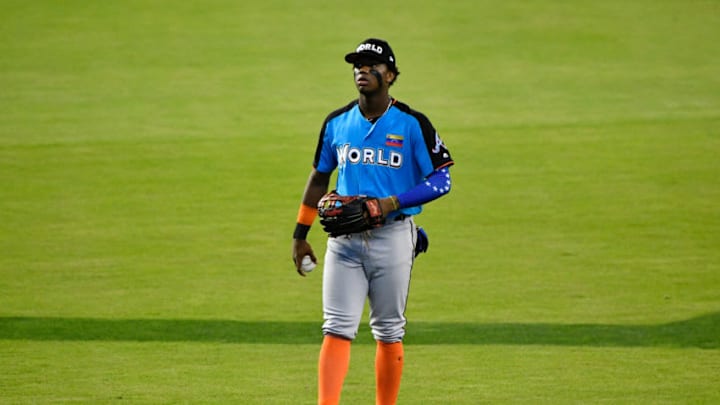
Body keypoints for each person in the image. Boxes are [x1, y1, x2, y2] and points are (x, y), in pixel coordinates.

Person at [291, 38, 454, 405]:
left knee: (389, 332)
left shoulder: (413, 124)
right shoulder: (337, 123)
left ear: (391, 75)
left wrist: (390, 203)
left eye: (372, 65)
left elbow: (442, 179)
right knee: (335, 328)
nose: (362, 70)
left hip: (393, 237)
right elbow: (320, 177)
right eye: (358, 65)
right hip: (344, 243)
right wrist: (300, 234)